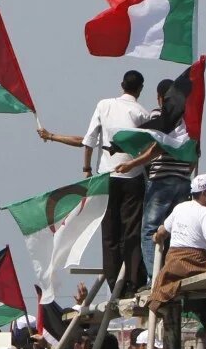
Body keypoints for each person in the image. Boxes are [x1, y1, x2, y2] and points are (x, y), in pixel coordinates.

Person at [39, 70, 152, 291]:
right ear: (140, 89)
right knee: (131, 231)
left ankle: (113, 282)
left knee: (110, 232)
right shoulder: (142, 113)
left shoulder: (104, 105)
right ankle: (133, 281)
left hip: (106, 177)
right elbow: (146, 148)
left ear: (121, 85)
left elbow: (87, 141)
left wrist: (86, 169)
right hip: (133, 176)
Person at [111, 77, 197, 280]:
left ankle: (154, 279)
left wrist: (131, 163)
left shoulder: (162, 116)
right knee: (177, 231)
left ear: (160, 98)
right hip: (184, 181)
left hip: (161, 181)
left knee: (151, 229)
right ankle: (177, 273)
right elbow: (195, 154)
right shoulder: (191, 120)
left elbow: (156, 148)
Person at [150, 174, 206, 313]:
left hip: (173, 265)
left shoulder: (180, 207)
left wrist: (156, 237)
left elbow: (162, 231)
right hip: (195, 263)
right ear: (205, 193)